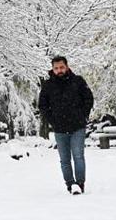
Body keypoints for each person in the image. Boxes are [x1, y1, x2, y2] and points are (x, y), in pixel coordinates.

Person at [38, 56, 94, 194]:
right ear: (52, 69)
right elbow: (43, 106)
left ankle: (80, 183)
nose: (59, 70)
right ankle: (70, 184)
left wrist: (83, 115)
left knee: (78, 156)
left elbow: (88, 98)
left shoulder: (78, 81)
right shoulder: (48, 85)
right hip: (60, 128)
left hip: (77, 126)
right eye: (56, 68)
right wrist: (53, 120)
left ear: (67, 66)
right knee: (64, 160)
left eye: (61, 67)